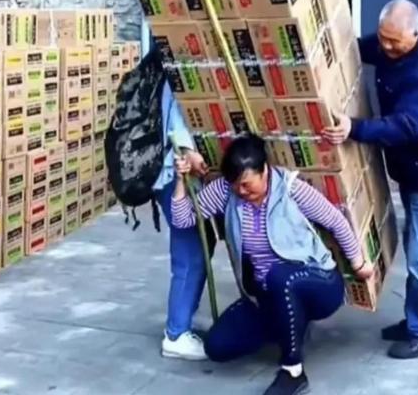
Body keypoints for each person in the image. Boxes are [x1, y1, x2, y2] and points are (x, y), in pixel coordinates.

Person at [322, 0, 418, 360]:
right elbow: (356, 48)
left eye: (394, 41)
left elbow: (404, 126)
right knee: (414, 246)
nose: (385, 47)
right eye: (383, 37)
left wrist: (354, 128)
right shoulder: (389, 44)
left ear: (414, 34)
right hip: (413, 174)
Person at [171, 134, 370, 395]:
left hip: (318, 282)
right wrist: (180, 180)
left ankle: (293, 371)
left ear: (264, 170)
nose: (241, 191)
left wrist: (359, 263)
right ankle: (290, 325)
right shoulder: (226, 191)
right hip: (266, 295)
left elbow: (335, 220)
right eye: (236, 186)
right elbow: (184, 219)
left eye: (247, 184)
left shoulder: (290, 188)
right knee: (217, 347)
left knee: (280, 277)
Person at [152, 50, 213, 361]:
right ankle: (176, 334)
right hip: (174, 174)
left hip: (181, 174)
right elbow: (176, 123)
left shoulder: (182, 60)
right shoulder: (179, 65)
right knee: (190, 254)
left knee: (202, 246)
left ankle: (184, 319)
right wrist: (189, 150)